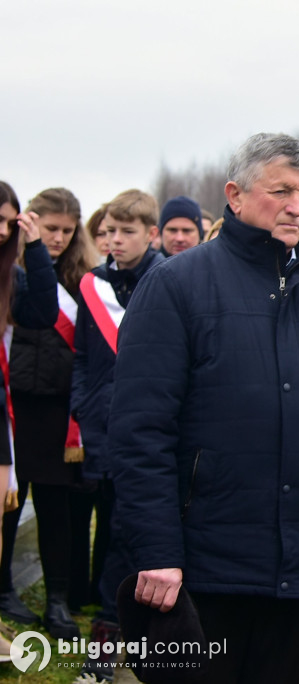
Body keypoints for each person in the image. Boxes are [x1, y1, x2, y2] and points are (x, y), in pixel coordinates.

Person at [107, 133, 299, 683]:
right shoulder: (176, 285)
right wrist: (157, 550)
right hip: (205, 567)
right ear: (235, 195)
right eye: (281, 190)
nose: (296, 206)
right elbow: (140, 432)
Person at [71, 188, 164, 681]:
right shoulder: (95, 285)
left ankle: (149, 643)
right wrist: (84, 412)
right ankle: (106, 648)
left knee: (140, 540)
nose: (114, 240)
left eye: (126, 231)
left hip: (152, 436)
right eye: (108, 231)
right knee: (110, 537)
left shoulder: (169, 280)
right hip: (103, 431)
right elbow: (84, 357)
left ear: (151, 234)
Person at [5, 188, 97, 642]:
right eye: (49, 228)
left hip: (61, 411)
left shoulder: (88, 281)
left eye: (65, 230)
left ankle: (58, 598)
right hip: (16, 405)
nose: (57, 238)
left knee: (56, 508)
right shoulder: (14, 272)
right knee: (9, 504)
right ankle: (5, 588)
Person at [0, 181, 59, 658]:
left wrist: (34, 247)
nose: (2, 232)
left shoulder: (10, 277)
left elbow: (41, 312)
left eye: (9, 223)